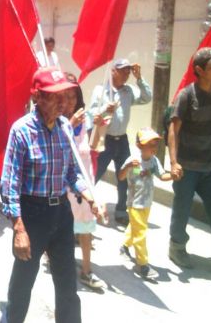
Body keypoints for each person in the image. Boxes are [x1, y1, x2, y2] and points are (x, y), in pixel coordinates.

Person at [1, 66, 97, 323]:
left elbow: (71, 173)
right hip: (32, 216)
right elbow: (9, 184)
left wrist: (87, 194)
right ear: (37, 97)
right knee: (22, 285)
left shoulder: (65, 127)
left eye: (65, 96)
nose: (63, 102)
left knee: (67, 286)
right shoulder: (21, 131)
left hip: (61, 215)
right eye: (55, 97)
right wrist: (19, 229)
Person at [167, 47, 211, 278]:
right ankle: (177, 247)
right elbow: (173, 130)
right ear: (199, 70)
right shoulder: (187, 96)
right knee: (182, 209)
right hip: (188, 166)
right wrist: (173, 162)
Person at [88, 58, 152, 225]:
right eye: (123, 70)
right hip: (105, 140)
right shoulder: (101, 90)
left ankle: (121, 210)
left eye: (128, 71)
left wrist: (140, 79)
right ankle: (85, 207)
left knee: (125, 174)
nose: (126, 74)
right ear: (113, 71)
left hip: (122, 141)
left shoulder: (128, 91)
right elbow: (91, 113)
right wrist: (104, 109)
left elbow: (147, 98)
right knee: (94, 174)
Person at [62, 73, 106, 290]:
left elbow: (92, 146)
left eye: (73, 96)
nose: (70, 101)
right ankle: (55, 259)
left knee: (86, 227)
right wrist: (69, 124)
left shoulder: (85, 118)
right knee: (62, 226)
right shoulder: (59, 121)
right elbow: (60, 145)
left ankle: (86, 270)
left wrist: (99, 127)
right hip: (63, 182)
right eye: (65, 96)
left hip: (84, 181)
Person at [118, 127, 172, 279]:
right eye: (150, 144)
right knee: (140, 233)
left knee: (135, 227)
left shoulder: (154, 161)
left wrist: (173, 175)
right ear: (139, 145)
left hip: (147, 203)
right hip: (134, 204)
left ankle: (124, 246)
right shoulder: (133, 160)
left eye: (155, 144)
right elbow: (121, 177)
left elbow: (162, 176)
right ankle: (142, 265)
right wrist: (128, 167)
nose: (153, 147)